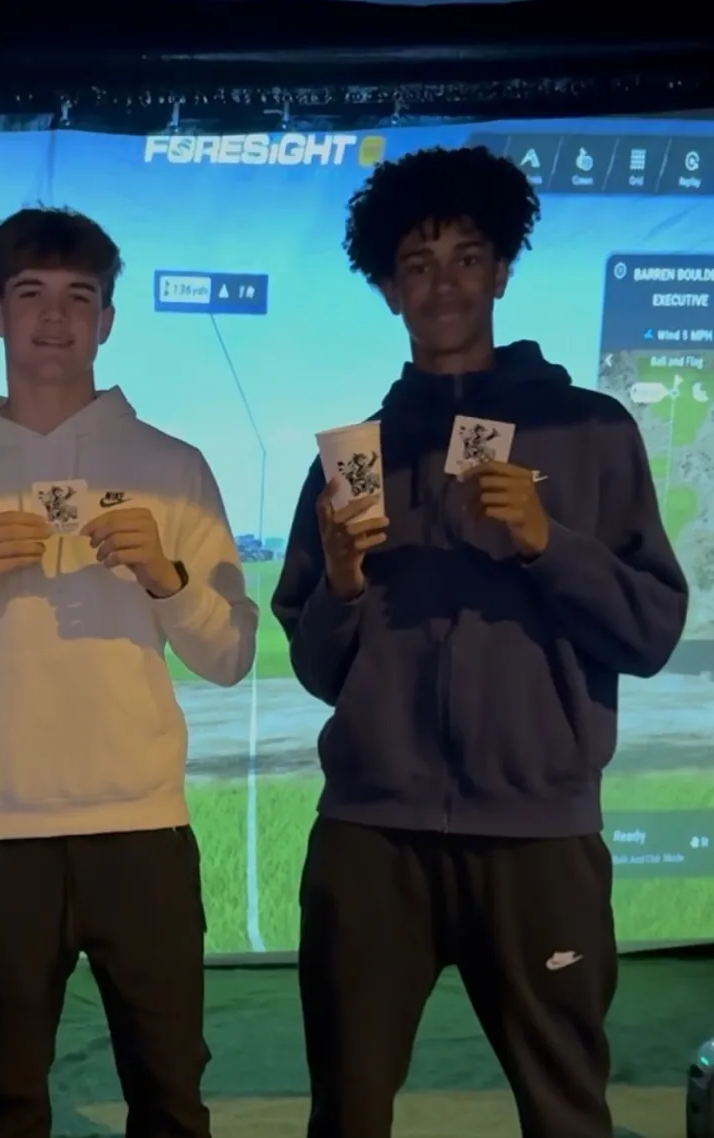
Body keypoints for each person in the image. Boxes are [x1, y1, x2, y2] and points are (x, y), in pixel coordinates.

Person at [271, 144, 689, 1138]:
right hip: (370, 835)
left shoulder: (590, 432)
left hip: (537, 834)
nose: (442, 282)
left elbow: (648, 630)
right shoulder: (352, 458)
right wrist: (337, 580)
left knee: (564, 1109)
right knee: (346, 1109)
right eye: (415, 263)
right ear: (385, 289)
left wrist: (548, 543)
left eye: (465, 257)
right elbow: (319, 667)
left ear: (501, 270)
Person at [0, 207, 258, 1137]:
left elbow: (229, 656)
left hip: (142, 827)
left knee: (169, 1092)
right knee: (7, 1098)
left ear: (107, 320)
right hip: (3, 833)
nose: (55, 319)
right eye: (32, 295)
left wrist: (166, 580)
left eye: (78, 298)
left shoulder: (171, 468)